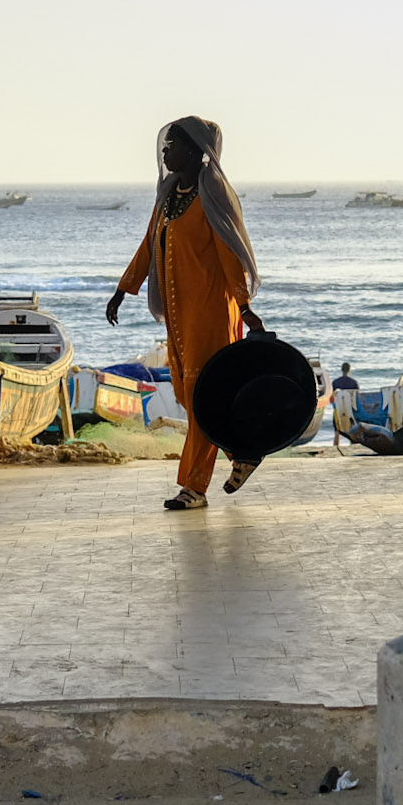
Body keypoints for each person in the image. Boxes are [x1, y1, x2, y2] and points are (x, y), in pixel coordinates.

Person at [105, 117, 263, 511]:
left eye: (172, 145)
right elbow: (148, 245)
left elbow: (230, 255)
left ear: (193, 151)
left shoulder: (212, 195)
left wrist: (244, 306)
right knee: (190, 394)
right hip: (179, 314)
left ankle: (193, 487)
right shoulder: (168, 196)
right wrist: (123, 290)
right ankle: (242, 450)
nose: (165, 152)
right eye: (165, 145)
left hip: (211, 311)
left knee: (201, 395)